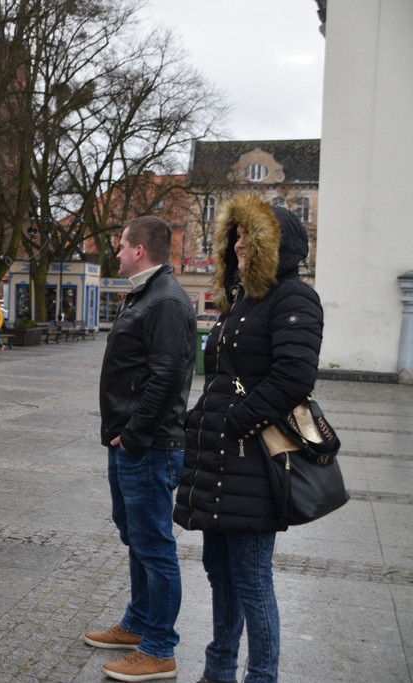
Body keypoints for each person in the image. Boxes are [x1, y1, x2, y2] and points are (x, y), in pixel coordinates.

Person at [174, 195, 323, 683]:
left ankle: (261, 677)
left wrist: (236, 420)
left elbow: (294, 377)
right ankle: (217, 670)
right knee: (220, 571)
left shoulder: (294, 297)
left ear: (272, 244)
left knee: (253, 580)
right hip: (219, 459)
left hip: (255, 461)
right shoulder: (242, 300)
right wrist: (201, 424)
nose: (237, 243)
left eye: (246, 235)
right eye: (233, 235)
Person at [88, 216, 196, 682]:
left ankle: (159, 648)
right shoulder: (147, 293)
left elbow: (167, 376)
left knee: (154, 544)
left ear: (140, 250)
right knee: (136, 537)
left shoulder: (166, 300)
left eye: (121, 245)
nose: (116, 252)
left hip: (147, 446)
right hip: (132, 442)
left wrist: (133, 435)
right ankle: (137, 623)